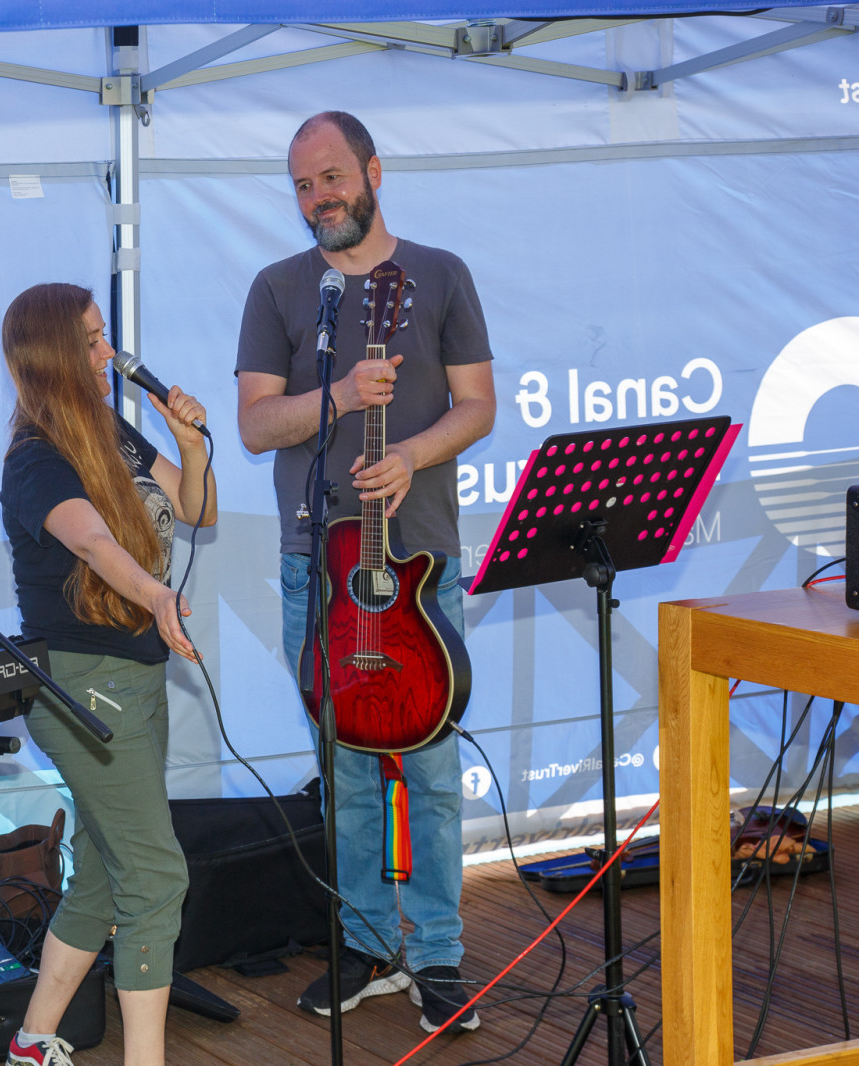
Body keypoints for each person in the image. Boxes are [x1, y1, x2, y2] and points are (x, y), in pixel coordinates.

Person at [234, 111, 496, 1034]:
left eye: (332, 177)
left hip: (420, 562)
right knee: (344, 765)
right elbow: (255, 425)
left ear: (373, 172)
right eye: (303, 185)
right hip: (318, 567)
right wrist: (341, 395)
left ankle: (437, 954)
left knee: (429, 766)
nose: (319, 198)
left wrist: (412, 454)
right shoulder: (278, 289)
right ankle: (366, 942)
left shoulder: (442, 273)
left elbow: (479, 405)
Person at [0, 283, 216, 1066]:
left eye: (104, 336)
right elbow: (92, 542)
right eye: (92, 340)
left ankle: (31, 1044)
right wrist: (156, 594)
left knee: (102, 871)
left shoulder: (110, 429)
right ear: (57, 354)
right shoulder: (35, 459)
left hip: (135, 674)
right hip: (82, 682)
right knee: (155, 878)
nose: (109, 353)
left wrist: (190, 445)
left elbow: (195, 510)